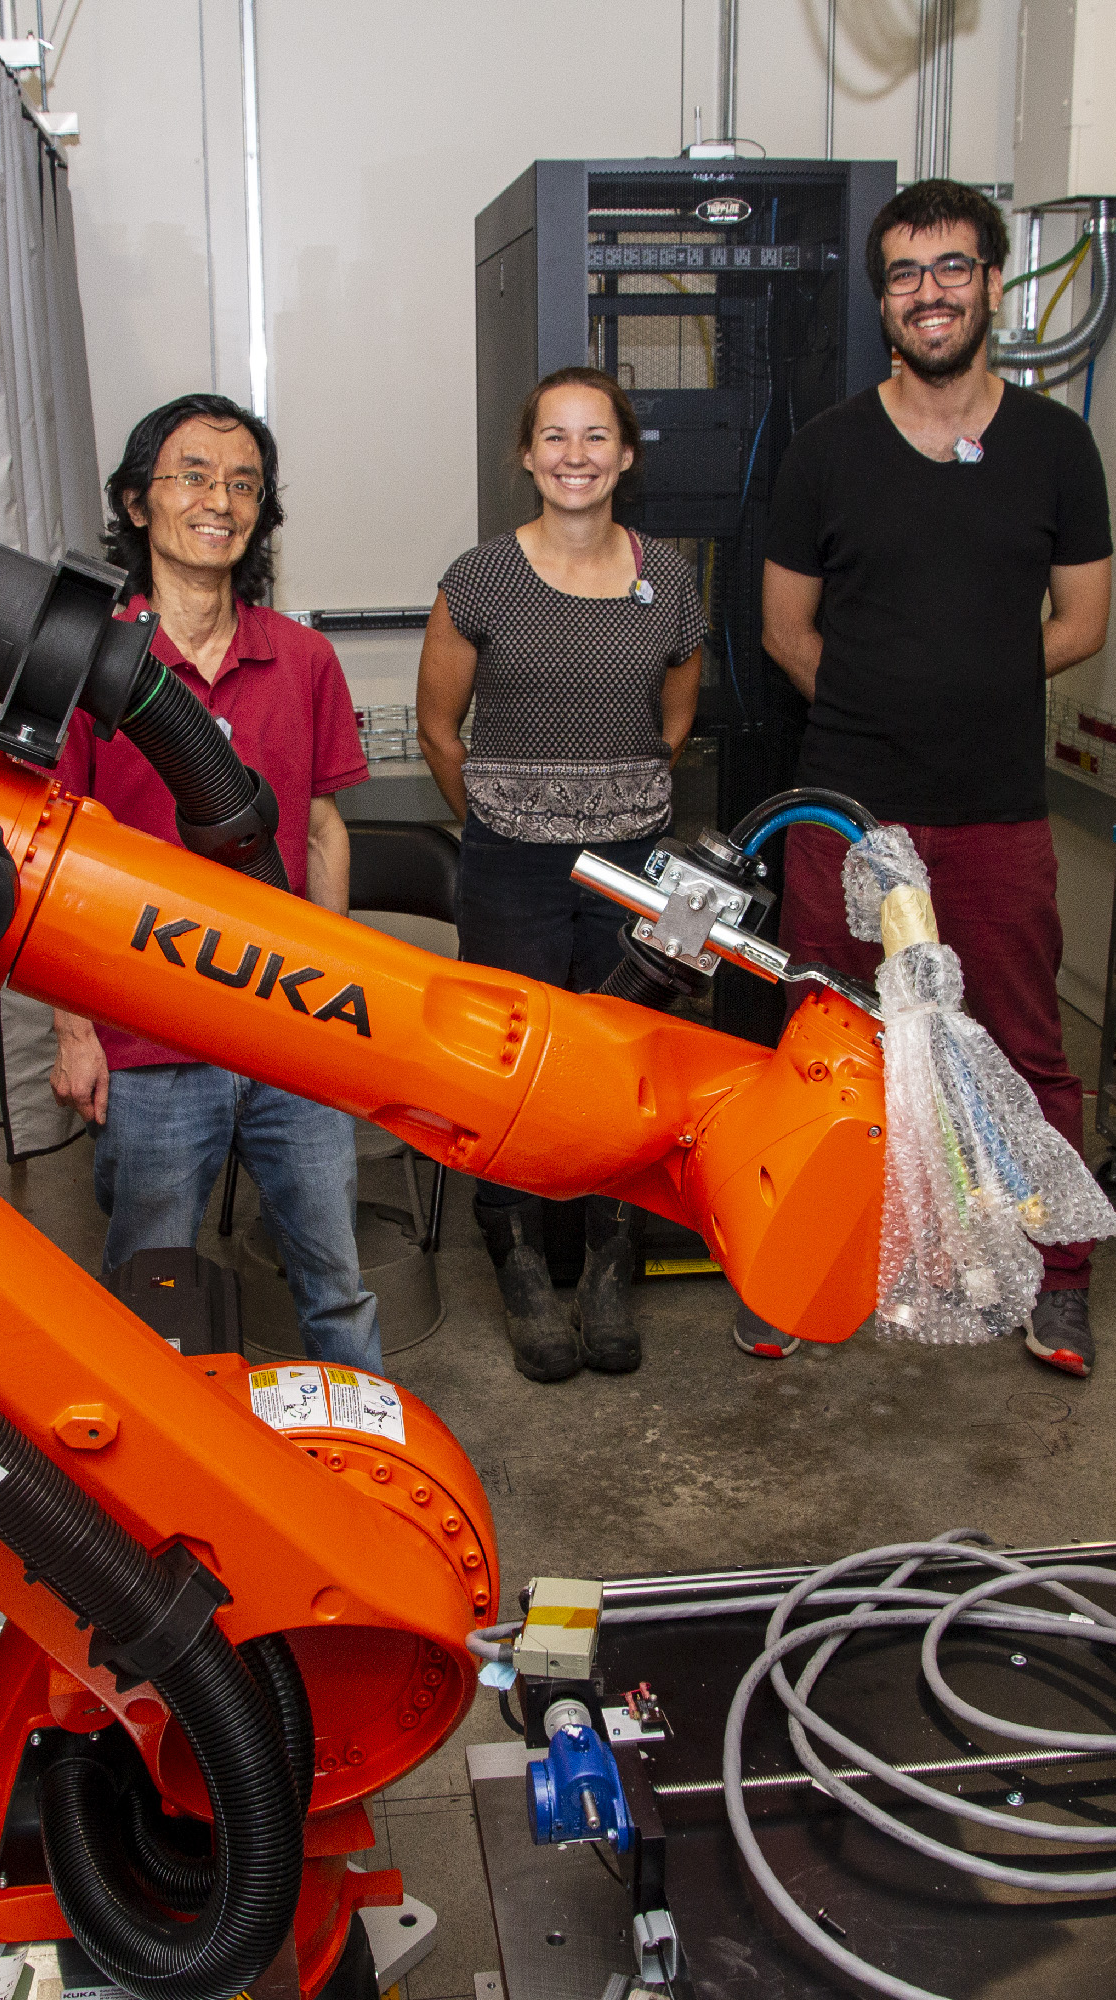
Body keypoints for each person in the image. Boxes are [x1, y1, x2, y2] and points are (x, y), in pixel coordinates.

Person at [759, 176, 1114, 1375]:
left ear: (993, 284)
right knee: (828, 1042)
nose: (930, 293)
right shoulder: (826, 453)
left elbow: (1084, 619)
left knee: (1022, 1043)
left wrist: (971, 686)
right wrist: (882, 710)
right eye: (906, 274)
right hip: (849, 817)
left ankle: (1056, 1278)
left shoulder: (1057, 447)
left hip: (996, 814)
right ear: (882, 299)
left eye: (952, 268)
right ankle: (802, 1265)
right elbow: (784, 631)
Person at [48, 394, 383, 1373]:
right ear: (137, 500)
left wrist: (338, 1007)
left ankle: (359, 1486)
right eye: (192, 474)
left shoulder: (304, 659)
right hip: (148, 1036)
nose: (220, 499)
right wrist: (73, 1030)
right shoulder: (90, 663)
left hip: (287, 1028)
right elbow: (53, 852)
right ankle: (157, 1486)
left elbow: (321, 830)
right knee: (152, 1284)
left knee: (337, 1280)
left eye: (243, 482)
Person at [415, 366, 706, 1382]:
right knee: (516, 1062)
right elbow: (439, 729)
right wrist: (502, 819)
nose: (575, 454)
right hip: (511, 862)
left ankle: (613, 1258)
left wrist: (613, 802)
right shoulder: (482, 577)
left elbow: (675, 717)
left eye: (596, 436)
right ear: (527, 455)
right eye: (555, 436)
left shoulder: (667, 578)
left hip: (635, 859)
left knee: (624, 1056)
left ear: (625, 454)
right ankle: (522, 1255)